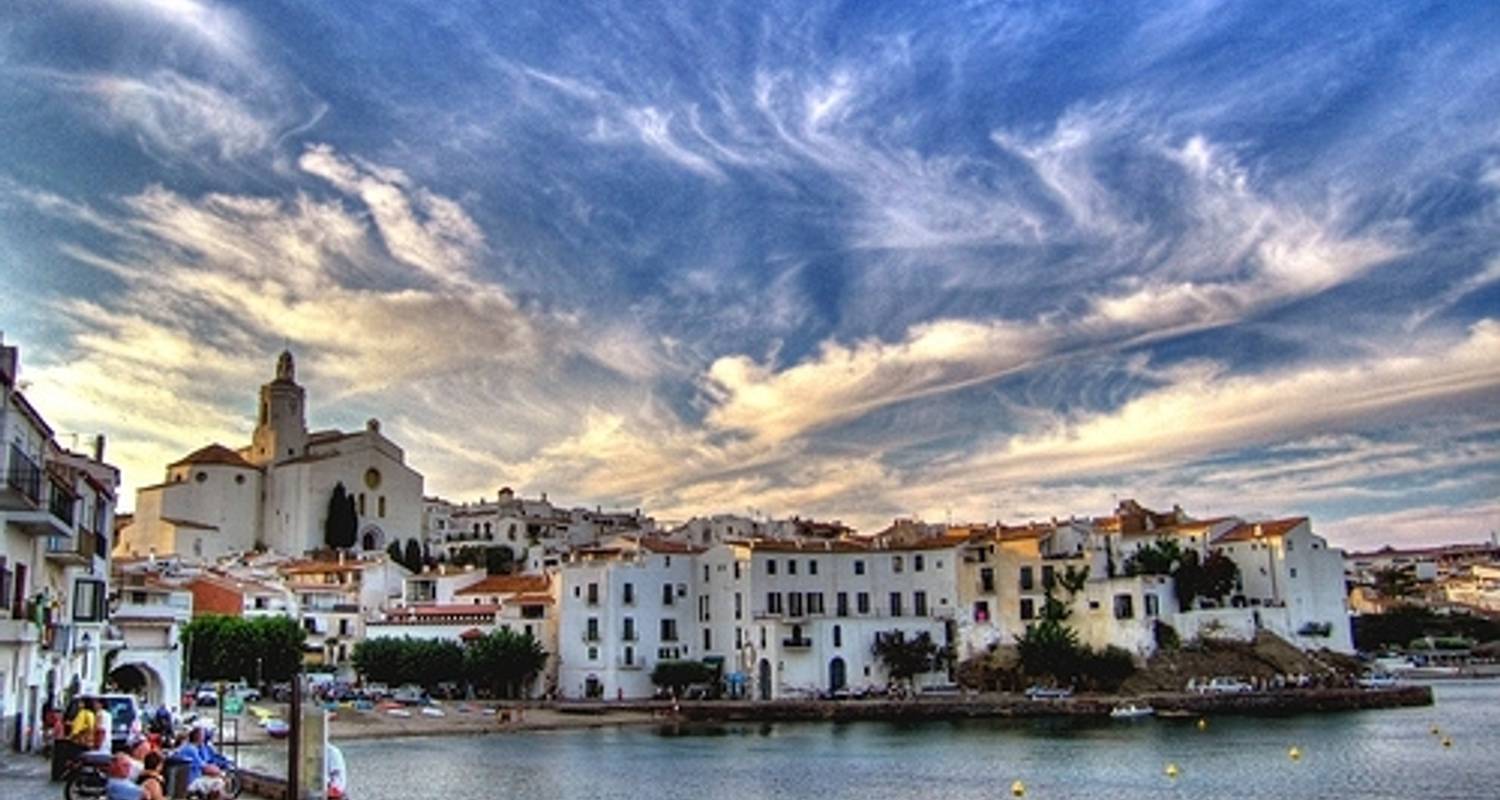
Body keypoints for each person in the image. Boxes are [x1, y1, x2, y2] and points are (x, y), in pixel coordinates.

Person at [175, 726, 227, 799]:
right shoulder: (192, 749)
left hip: (183, 780)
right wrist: (220, 773)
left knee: (214, 782)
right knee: (218, 782)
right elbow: (205, 768)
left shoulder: (187, 747)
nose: (204, 737)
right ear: (198, 737)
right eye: (203, 735)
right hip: (190, 781)